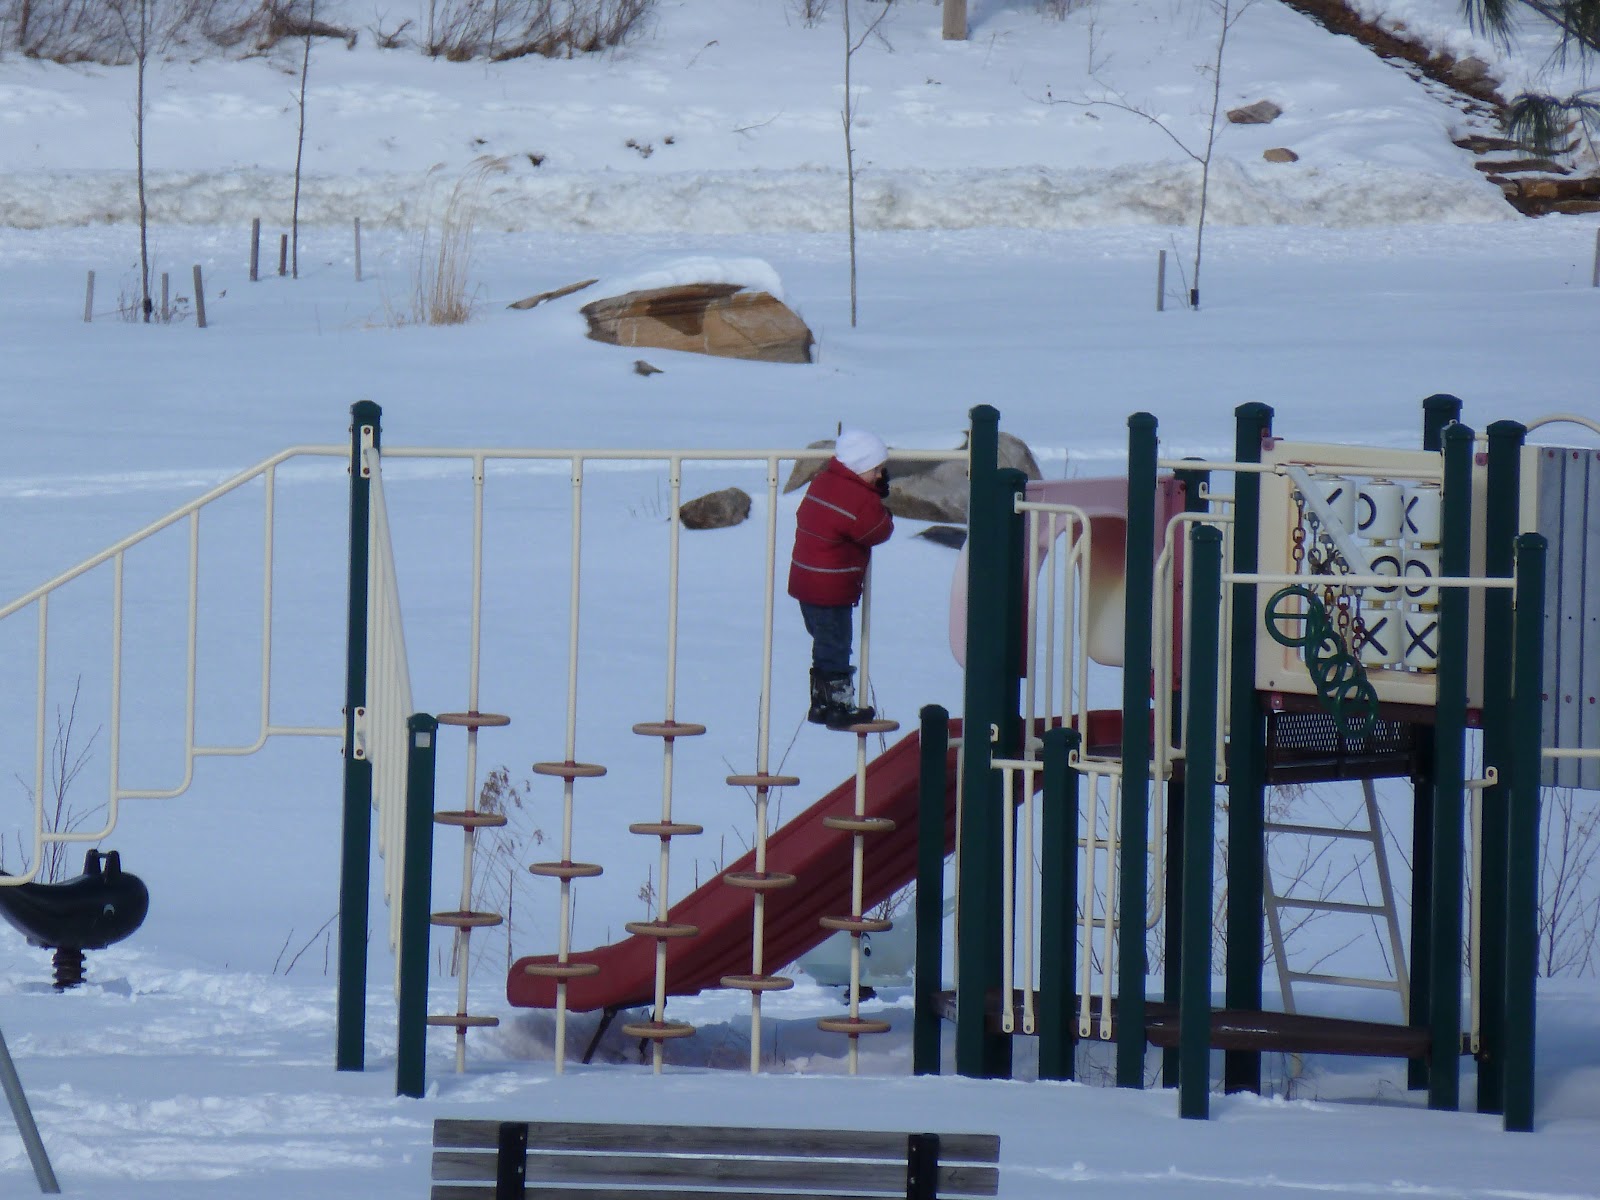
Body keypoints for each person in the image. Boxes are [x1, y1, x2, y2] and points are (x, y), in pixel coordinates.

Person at [788, 428, 894, 729]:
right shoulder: (857, 498)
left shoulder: (823, 481)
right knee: (836, 646)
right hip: (830, 587)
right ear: (860, 467)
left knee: (824, 644)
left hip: (806, 582)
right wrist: (879, 503)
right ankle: (839, 705)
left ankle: (820, 702)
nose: (879, 476)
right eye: (876, 470)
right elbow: (877, 531)